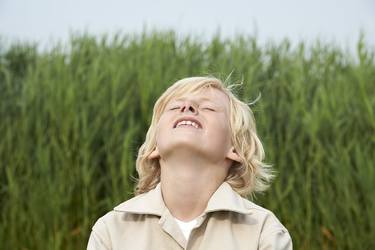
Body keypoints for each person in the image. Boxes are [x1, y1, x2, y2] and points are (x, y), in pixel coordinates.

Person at [87, 76, 293, 250]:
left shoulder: (263, 231)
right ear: (154, 148)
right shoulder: (111, 230)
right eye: (175, 107)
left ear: (235, 148)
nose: (187, 107)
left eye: (208, 108)